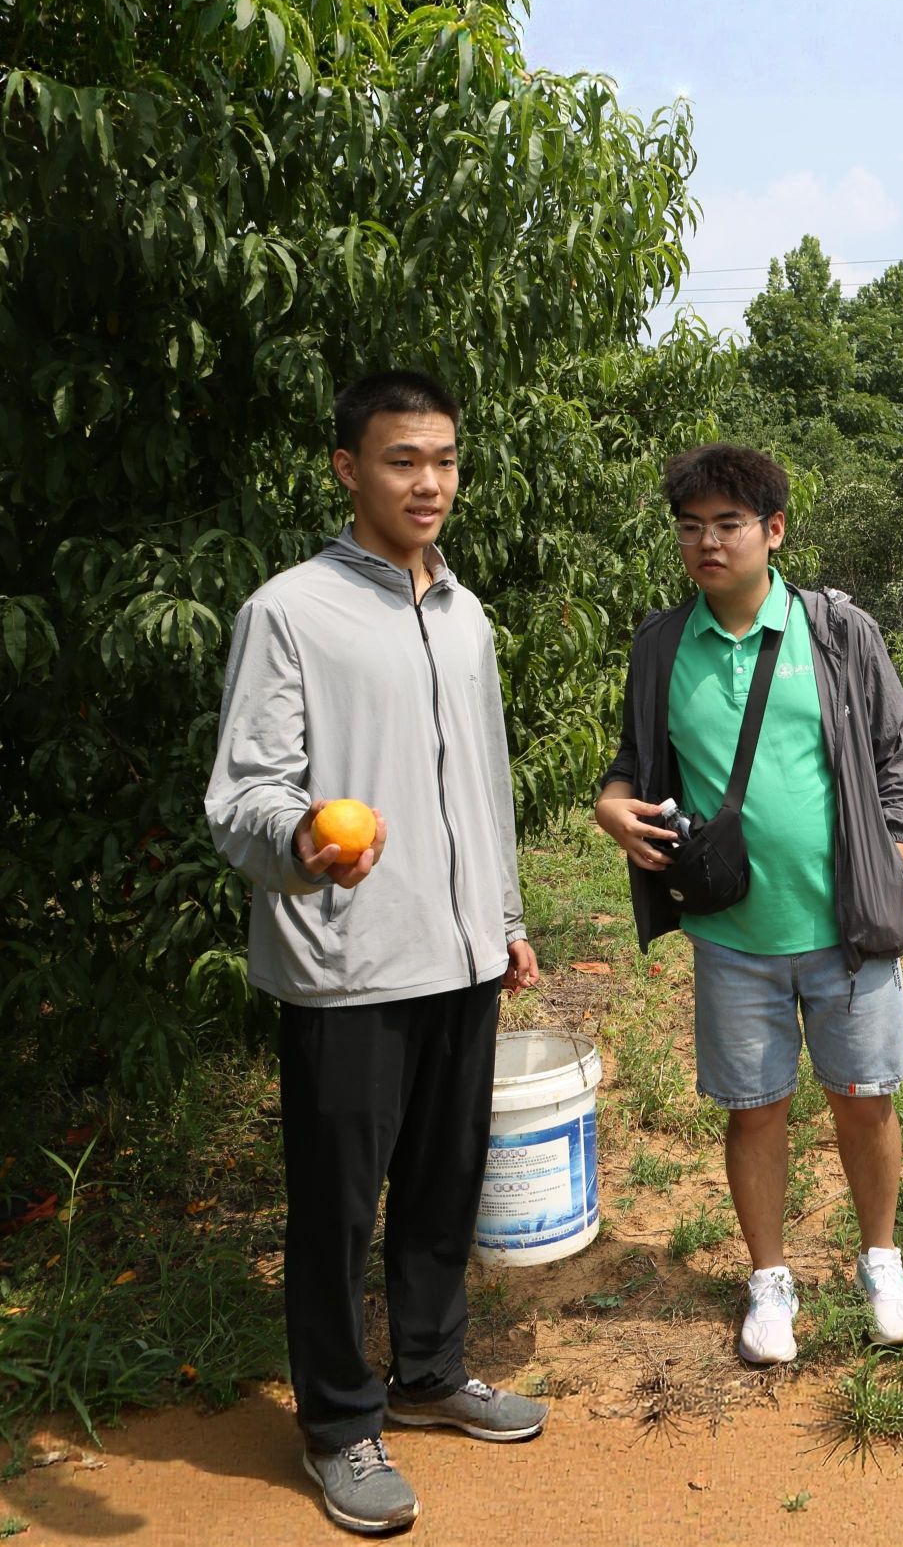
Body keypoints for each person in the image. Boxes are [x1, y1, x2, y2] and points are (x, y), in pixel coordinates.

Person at [206, 370, 545, 1535]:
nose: (428, 482)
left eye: (443, 459)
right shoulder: (289, 611)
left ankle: (430, 1372)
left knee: (444, 1185)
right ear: (348, 469)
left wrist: (503, 918)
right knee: (337, 1208)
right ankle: (338, 1422)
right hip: (346, 963)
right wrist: (301, 837)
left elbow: (485, 783)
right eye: (403, 459)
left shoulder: (464, 612)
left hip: (460, 955)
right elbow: (243, 793)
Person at [594, 444, 903, 1367]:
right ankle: (769, 1280)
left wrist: (890, 858)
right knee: (755, 1110)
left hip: (847, 930)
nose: (708, 542)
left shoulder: (837, 632)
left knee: (865, 1100)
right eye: (691, 526)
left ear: (773, 531)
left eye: (729, 524)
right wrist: (611, 806)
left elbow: (900, 756)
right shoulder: (663, 645)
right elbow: (632, 764)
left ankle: (881, 1260)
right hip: (732, 934)